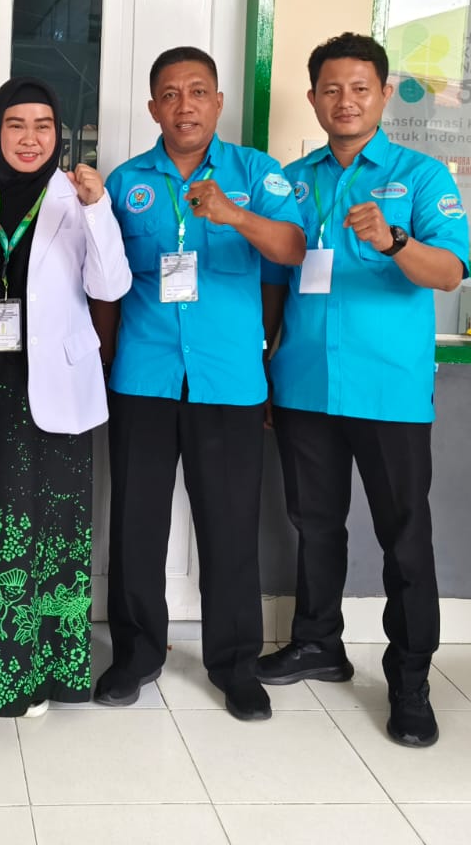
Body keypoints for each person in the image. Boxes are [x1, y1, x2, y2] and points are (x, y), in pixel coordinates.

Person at [259, 31, 468, 749]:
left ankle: (410, 679)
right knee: (314, 525)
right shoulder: (292, 181)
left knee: (404, 538)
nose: (344, 101)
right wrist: (265, 365)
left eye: (359, 88)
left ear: (382, 94)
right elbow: (278, 280)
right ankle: (318, 642)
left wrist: (395, 242)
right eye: (331, 89)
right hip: (305, 386)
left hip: (388, 391)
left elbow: (450, 274)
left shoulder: (422, 176)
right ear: (313, 97)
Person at [93, 46, 307, 722]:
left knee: (229, 529)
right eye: (170, 94)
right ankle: (135, 655)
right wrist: (105, 361)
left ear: (218, 102)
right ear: (153, 107)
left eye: (197, 92)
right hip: (144, 377)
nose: (184, 105)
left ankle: (235, 666)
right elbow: (105, 281)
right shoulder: (126, 181)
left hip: (228, 380)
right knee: (136, 525)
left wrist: (235, 215)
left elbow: (293, 251)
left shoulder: (257, 174)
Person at [0, 77, 131, 717]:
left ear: (59, 136)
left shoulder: (77, 200)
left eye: (44, 125)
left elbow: (111, 285)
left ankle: (36, 673)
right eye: (16, 124)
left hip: (54, 392)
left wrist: (97, 208)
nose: (30, 138)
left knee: (47, 532)